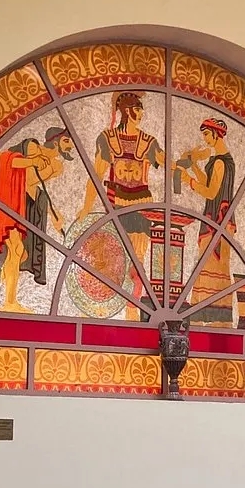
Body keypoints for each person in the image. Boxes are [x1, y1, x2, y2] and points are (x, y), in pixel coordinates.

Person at [79, 91, 163, 318]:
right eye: (137, 109)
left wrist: (186, 168)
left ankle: (132, 311)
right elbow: (96, 176)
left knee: (137, 262)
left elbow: (166, 163)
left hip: (142, 205)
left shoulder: (148, 142)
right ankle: (104, 309)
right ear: (126, 111)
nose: (141, 113)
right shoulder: (108, 139)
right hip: (116, 204)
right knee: (111, 259)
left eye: (141, 109)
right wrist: (86, 208)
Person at [0, 127, 72, 313]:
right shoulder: (22, 154)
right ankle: (2, 297)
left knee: (19, 253)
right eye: (66, 141)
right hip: (5, 207)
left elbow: (33, 187)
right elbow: (2, 158)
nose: (71, 146)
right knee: (14, 250)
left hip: (18, 210)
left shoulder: (49, 167)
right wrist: (32, 160)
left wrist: (54, 214)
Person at [175, 117, 236, 324]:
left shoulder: (220, 162)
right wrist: (193, 167)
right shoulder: (220, 159)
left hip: (218, 219)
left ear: (217, 134)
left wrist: (188, 180)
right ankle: (210, 313)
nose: (205, 139)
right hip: (217, 219)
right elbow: (209, 182)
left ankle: (215, 315)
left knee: (213, 265)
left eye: (207, 135)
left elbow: (210, 192)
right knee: (208, 265)